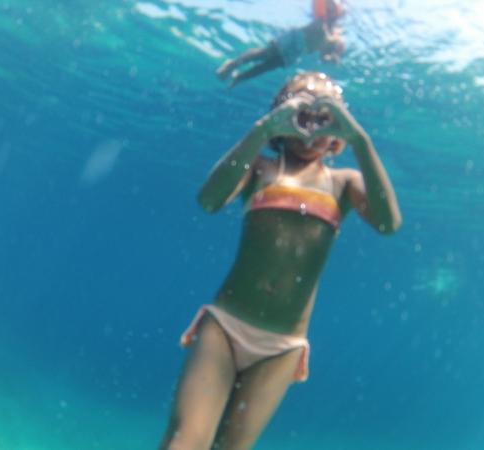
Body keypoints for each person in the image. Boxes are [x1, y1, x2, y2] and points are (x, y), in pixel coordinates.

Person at [159, 72, 402, 450]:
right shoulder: (259, 169)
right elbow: (208, 200)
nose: (312, 128)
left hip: (282, 347)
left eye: (325, 117)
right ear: (283, 115)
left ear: (338, 130)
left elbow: (388, 223)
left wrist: (360, 139)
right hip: (225, 327)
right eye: (303, 114)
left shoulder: (343, 183)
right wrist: (262, 130)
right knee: (185, 442)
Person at [216, 0, 346, 87]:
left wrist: (331, 57)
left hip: (299, 51)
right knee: (265, 54)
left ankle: (239, 78)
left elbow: (325, 56)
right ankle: (231, 65)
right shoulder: (324, 18)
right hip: (296, 37)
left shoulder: (336, 35)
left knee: (266, 67)